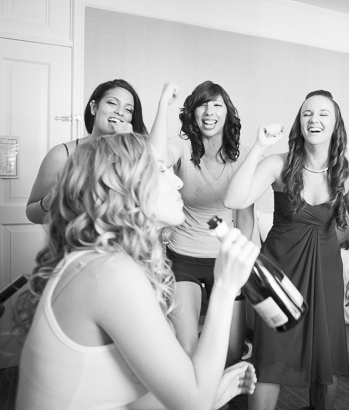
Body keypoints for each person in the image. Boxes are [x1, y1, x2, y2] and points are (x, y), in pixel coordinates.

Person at [14, 132, 258, 410]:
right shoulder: (110, 274)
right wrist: (226, 287)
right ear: (124, 186)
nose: (178, 181)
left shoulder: (103, 262)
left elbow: (133, 399)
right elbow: (193, 403)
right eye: (163, 170)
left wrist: (214, 392)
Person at [223, 90, 349, 410]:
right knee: (270, 357)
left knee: (325, 359)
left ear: (336, 125)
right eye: (306, 114)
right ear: (299, 122)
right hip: (279, 270)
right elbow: (234, 200)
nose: (313, 119)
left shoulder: (348, 172)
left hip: (326, 272)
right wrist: (260, 146)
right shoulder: (278, 164)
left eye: (322, 114)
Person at [149, 82, 254, 366]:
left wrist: (241, 258)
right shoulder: (181, 145)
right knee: (187, 349)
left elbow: (245, 216)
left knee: (232, 353)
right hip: (184, 258)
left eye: (217, 104)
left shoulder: (242, 155)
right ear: (192, 112)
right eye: (202, 104)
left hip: (225, 260)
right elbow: (155, 159)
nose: (209, 112)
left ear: (227, 113)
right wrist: (162, 105)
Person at [26, 79, 147, 224]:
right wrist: (50, 201)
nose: (120, 112)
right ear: (94, 108)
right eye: (112, 103)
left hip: (121, 244)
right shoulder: (61, 155)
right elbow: (32, 215)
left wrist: (131, 146)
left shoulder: (136, 156)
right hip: (75, 243)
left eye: (128, 110)